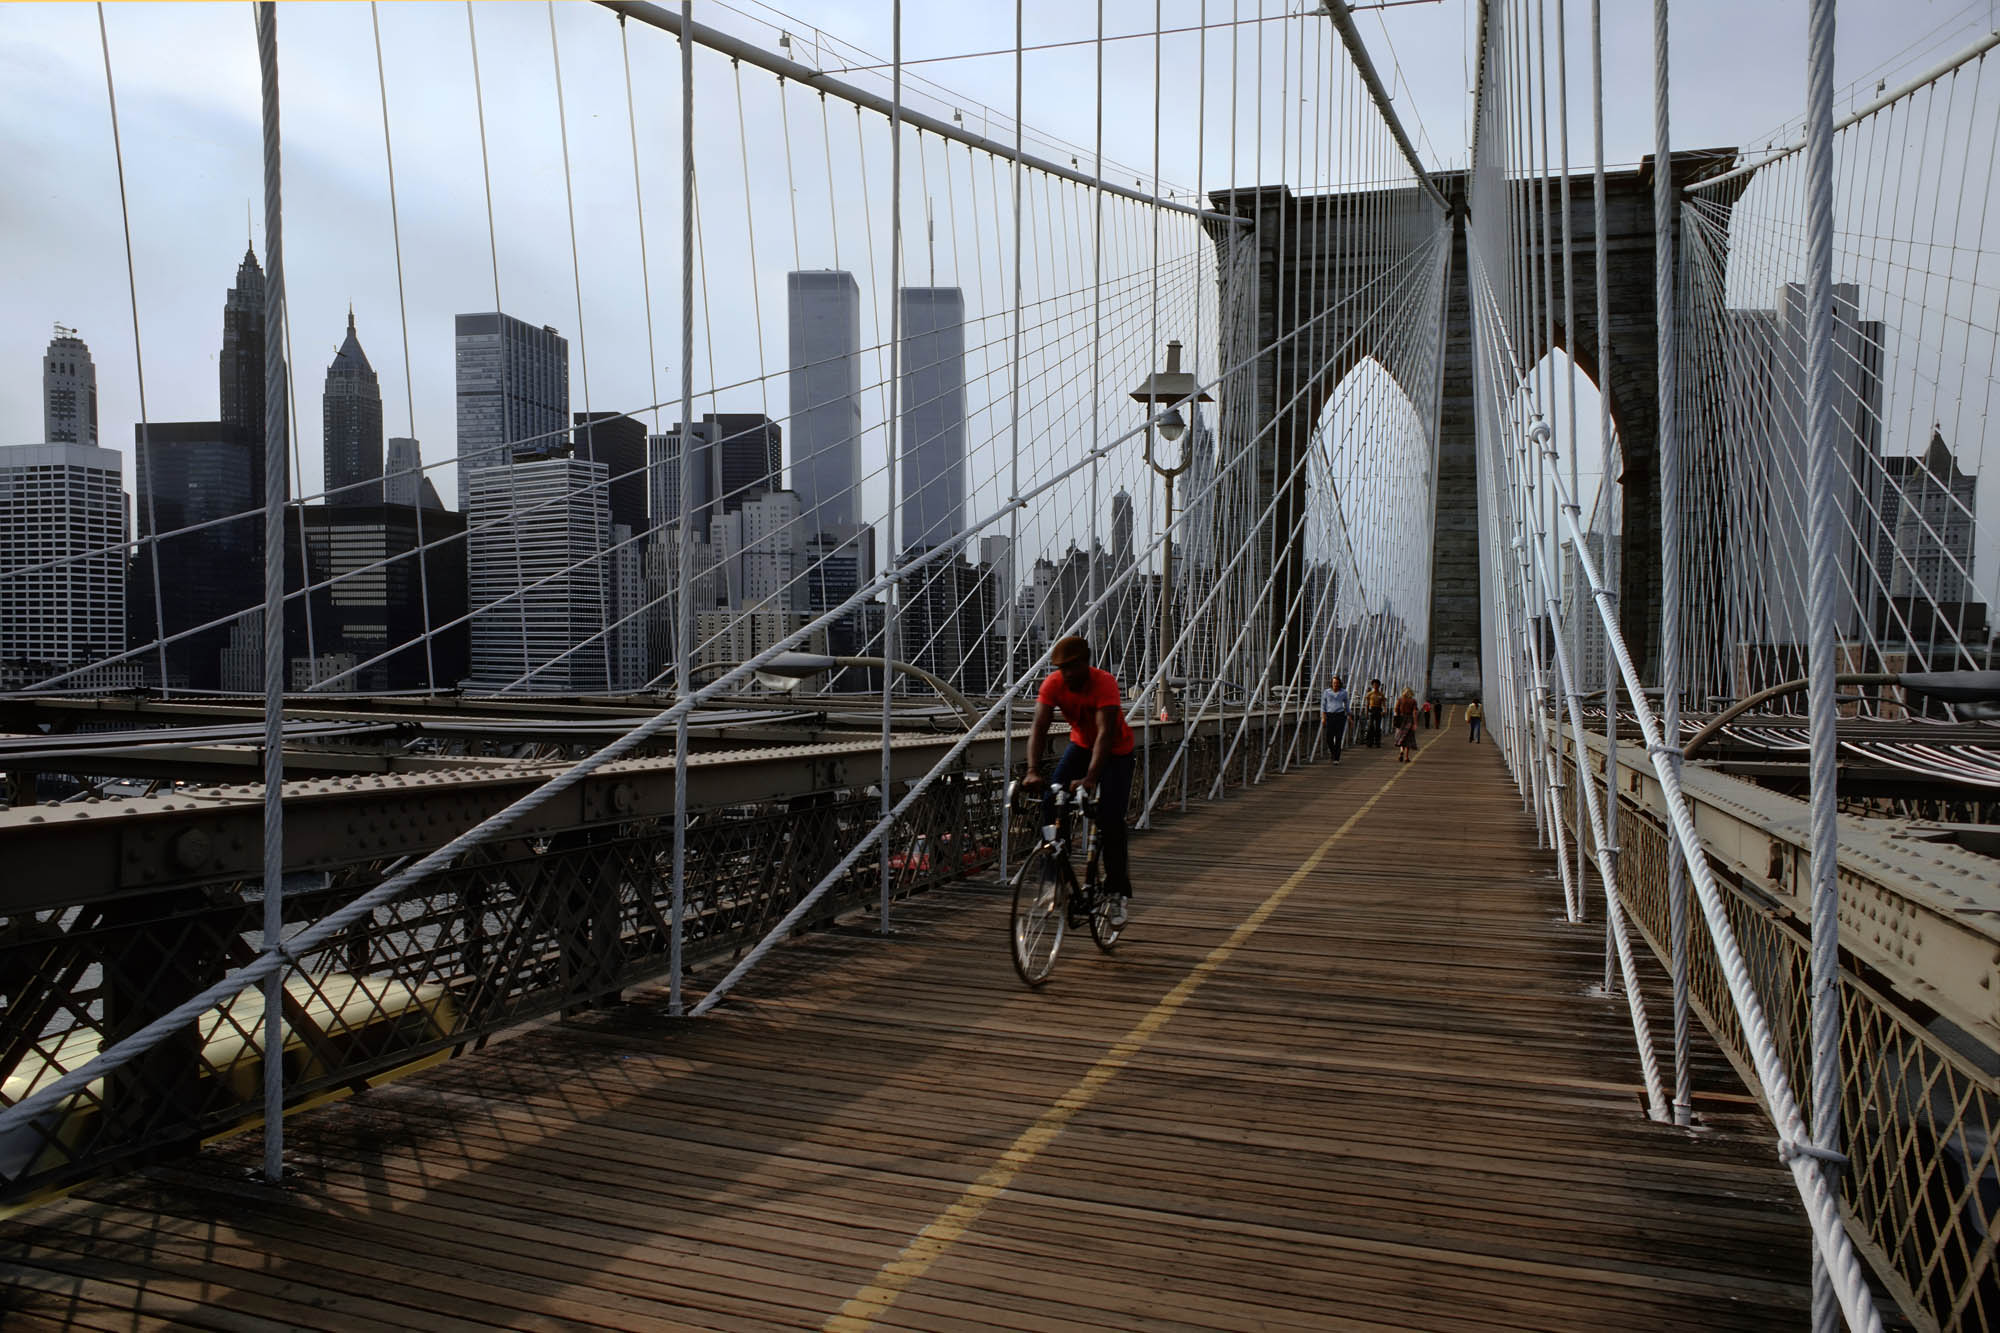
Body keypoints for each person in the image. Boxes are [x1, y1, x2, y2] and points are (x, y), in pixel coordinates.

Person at [1023, 634, 1135, 920]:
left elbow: (1105, 734)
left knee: (1110, 819)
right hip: (1081, 746)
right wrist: (1033, 770)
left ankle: (1117, 891)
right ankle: (1054, 878)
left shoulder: (1104, 683)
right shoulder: (1054, 684)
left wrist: (1090, 778)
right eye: (1063, 668)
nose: (1068, 673)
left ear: (1086, 662)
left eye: (1073, 666)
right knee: (1050, 801)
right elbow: (1039, 727)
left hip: (1116, 752)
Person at [1320, 675, 1349, 764]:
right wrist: (1323, 717)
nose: (1335, 684)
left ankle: (1337, 758)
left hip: (1340, 716)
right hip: (1330, 715)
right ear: (1331, 684)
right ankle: (1333, 753)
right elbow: (1323, 705)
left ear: (1340, 684)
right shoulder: (1327, 692)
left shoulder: (1344, 692)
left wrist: (1349, 716)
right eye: (1334, 683)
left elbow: (1346, 705)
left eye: (1337, 683)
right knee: (1329, 738)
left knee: (1339, 737)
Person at [1393, 687, 1419, 762]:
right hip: (1409, 720)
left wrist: (1396, 719)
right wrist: (1415, 723)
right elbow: (1414, 712)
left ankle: (1401, 752)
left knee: (1401, 737)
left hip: (1401, 720)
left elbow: (1396, 710)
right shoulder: (1413, 701)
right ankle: (1407, 757)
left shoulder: (1400, 700)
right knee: (1408, 738)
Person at [1364, 679, 1387, 747]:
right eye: (1374, 684)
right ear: (1372, 685)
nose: (1376, 686)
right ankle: (1369, 742)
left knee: (1378, 727)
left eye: (1377, 684)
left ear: (1379, 685)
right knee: (1370, 726)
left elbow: (1383, 704)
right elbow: (1367, 704)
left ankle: (1377, 742)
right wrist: (1366, 712)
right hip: (1372, 710)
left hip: (1378, 710)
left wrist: (1384, 711)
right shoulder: (1369, 694)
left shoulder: (1381, 694)